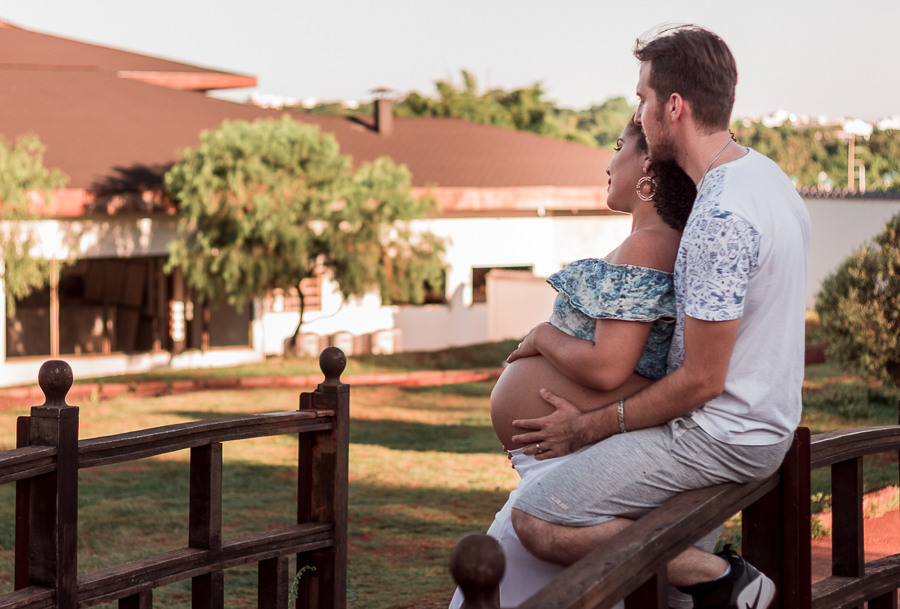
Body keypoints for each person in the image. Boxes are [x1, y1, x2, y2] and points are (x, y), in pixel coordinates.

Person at [507, 26, 811, 609]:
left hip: (718, 435)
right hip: (755, 426)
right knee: (667, 598)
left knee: (538, 520)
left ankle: (725, 579)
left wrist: (587, 427)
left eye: (642, 101)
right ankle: (708, 583)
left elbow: (702, 380)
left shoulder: (720, 214)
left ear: (674, 107)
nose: (638, 115)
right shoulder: (767, 180)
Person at [449, 117, 697, 609]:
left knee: (489, 591)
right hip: (562, 459)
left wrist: (543, 336)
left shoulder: (648, 246)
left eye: (617, 147)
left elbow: (608, 367)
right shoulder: (650, 244)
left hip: (575, 460)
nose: (609, 163)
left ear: (646, 164)